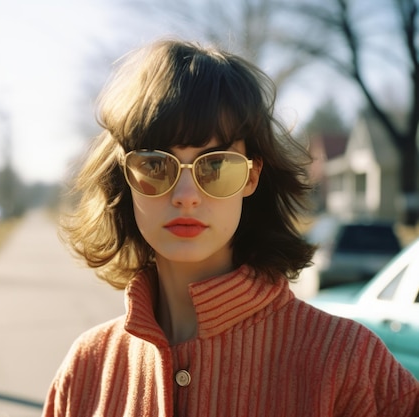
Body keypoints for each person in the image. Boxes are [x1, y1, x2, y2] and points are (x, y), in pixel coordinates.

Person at [42, 39, 419, 417]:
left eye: (216, 165)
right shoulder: (85, 371)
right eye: (156, 165)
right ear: (125, 176)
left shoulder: (349, 364)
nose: (185, 195)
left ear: (251, 176)